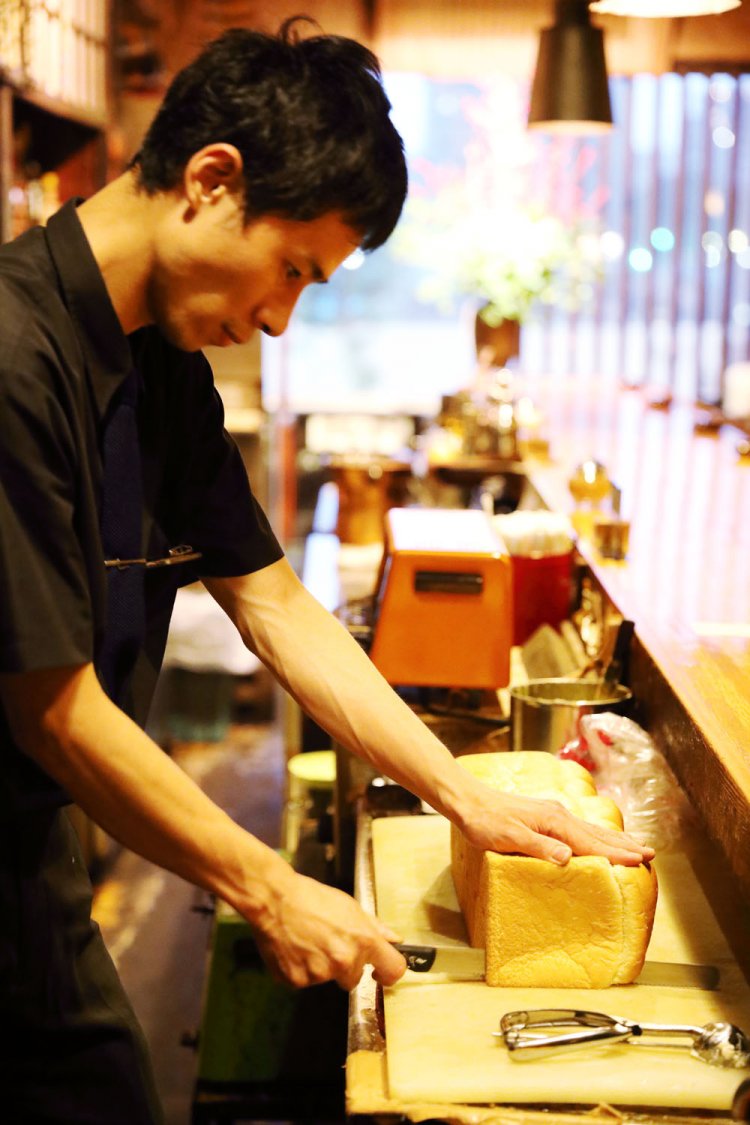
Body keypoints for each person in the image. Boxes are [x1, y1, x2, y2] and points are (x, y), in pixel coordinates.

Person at [0, 18, 654, 1124]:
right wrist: (268, 885)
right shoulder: (15, 356)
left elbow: (272, 599)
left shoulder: (157, 364)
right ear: (212, 181)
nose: (277, 317)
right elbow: (53, 709)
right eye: (293, 269)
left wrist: (462, 791)